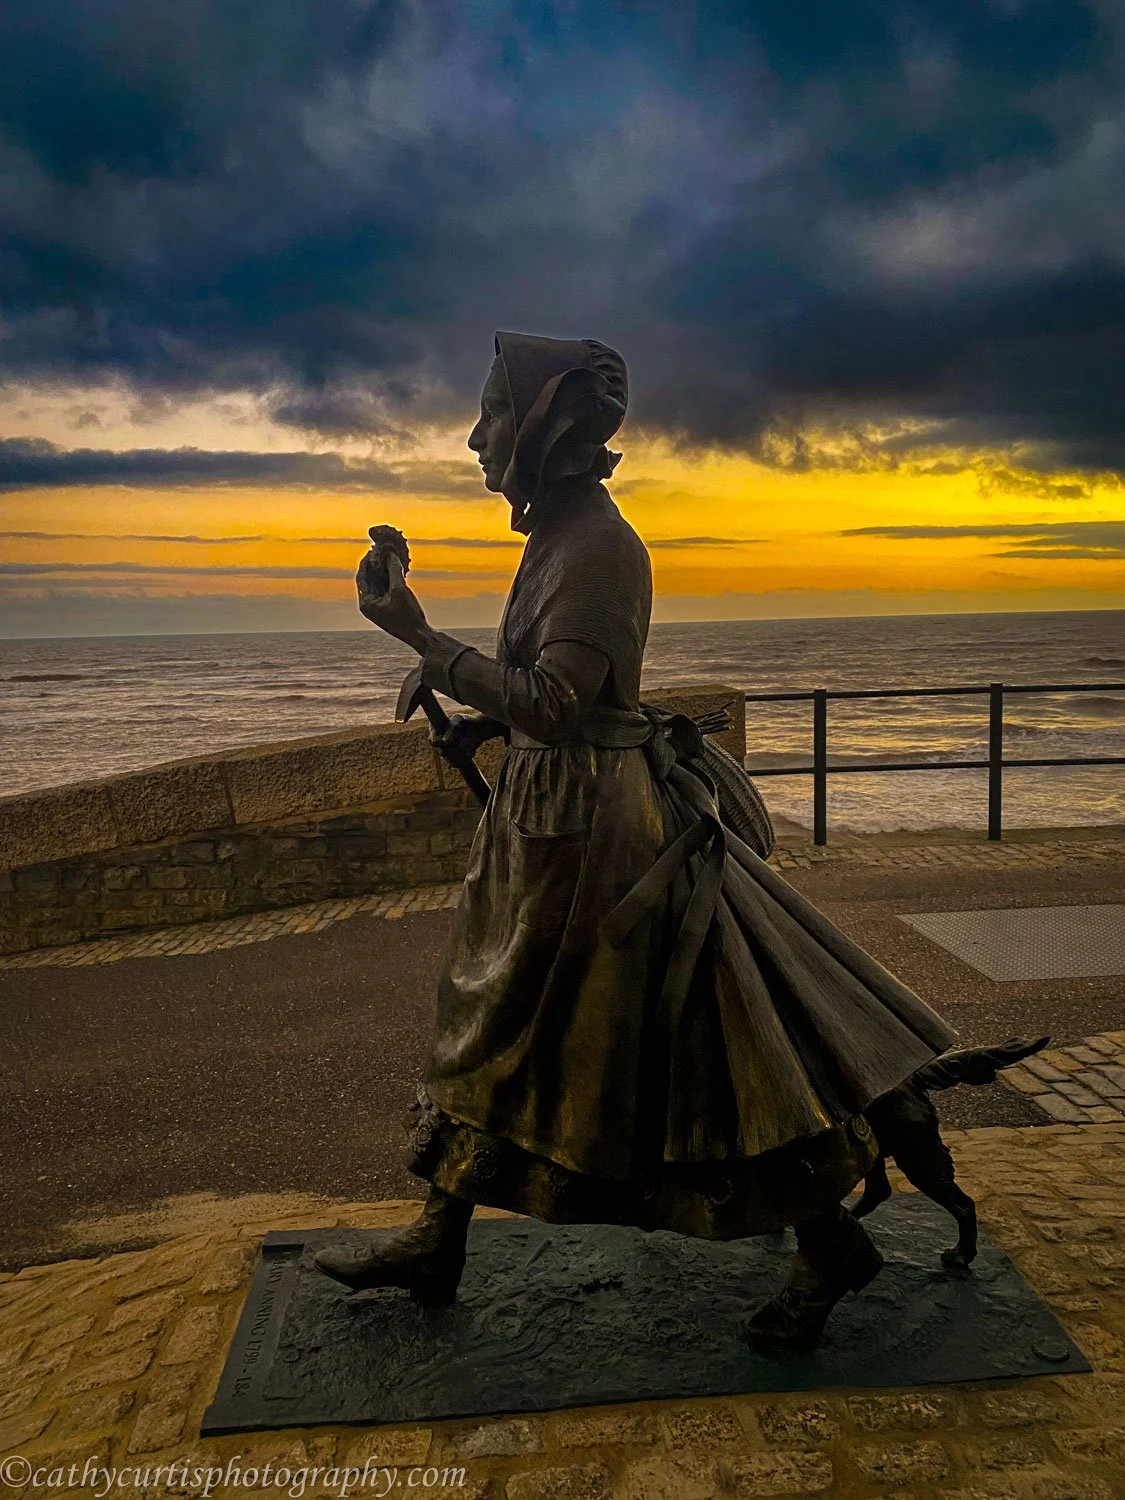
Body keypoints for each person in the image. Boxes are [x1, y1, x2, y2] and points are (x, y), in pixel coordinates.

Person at [314, 331, 958, 1350]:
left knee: (667, 1050)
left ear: (540, 430)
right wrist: (489, 717)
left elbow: (564, 704)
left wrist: (429, 647)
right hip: (550, 822)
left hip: (595, 848)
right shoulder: (557, 538)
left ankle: (828, 1242)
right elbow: (562, 703)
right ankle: (440, 1238)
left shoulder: (600, 548)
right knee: (488, 1033)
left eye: (492, 417)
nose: (476, 438)